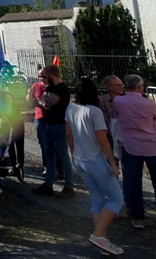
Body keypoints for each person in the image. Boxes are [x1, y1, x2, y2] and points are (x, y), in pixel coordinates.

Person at [65, 77, 124, 256]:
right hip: (95, 159)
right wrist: (113, 163)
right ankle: (98, 234)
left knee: (97, 200)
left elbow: (69, 134)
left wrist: (73, 153)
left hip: (81, 159)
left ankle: (102, 240)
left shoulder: (71, 108)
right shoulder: (94, 112)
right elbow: (102, 140)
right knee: (117, 199)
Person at [113, 73, 156, 230]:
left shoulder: (118, 101)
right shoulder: (149, 104)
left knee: (132, 182)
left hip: (130, 145)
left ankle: (138, 216)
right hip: (151, 145)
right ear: (139, 87)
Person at [33, 64, 75, 198]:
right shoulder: (51, 88)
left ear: (51, 75)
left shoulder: (61, 88)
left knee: (63, 155)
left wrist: (42, 101)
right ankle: (48, 184)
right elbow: (42, 100)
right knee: (49, 153)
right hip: (49, 123)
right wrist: (42, 101)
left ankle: (69, 186)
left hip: (59, 124)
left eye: (45, 76)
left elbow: (46, 103)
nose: (43, 79)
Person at [99, 74, 125, 163]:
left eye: (122, 85)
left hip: (124, 135)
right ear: (109, 87)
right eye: (118, 85)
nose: (121, 87)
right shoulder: (101, 101)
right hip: (109, 136)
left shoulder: (126, 100)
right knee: (112, 163)